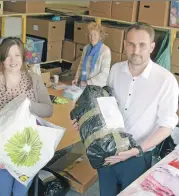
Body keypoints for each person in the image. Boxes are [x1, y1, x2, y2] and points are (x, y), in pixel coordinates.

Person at [72, 22, 178, 196]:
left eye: (142, 45)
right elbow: (106, 105)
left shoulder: (166, 81)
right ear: (125, 44)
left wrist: (137, 150)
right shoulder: (116, 70)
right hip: (107, 151)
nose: (136, 50)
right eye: (131, 44)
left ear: (152, 47)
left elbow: (167, 126)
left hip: (137, 155)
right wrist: (85, 121)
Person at [0, 37, 53, 196]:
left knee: (21, 192)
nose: (13, 60)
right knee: (3, 192)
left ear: (23, 57)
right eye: (8, 56)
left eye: (17, 55)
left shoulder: (34, 80)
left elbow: (48, 110)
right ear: (2, 59)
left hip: (27, 149)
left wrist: (27, 105)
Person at [72, 22, 111, 87]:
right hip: (84, 84)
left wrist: (88, 82)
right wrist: (76, 78)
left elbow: (104, 74)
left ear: (100, 36)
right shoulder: (86, 48)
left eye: (95, 35)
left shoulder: (105, 51)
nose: (92, 37)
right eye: (90, 34)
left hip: (97, 87)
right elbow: (81, 65)